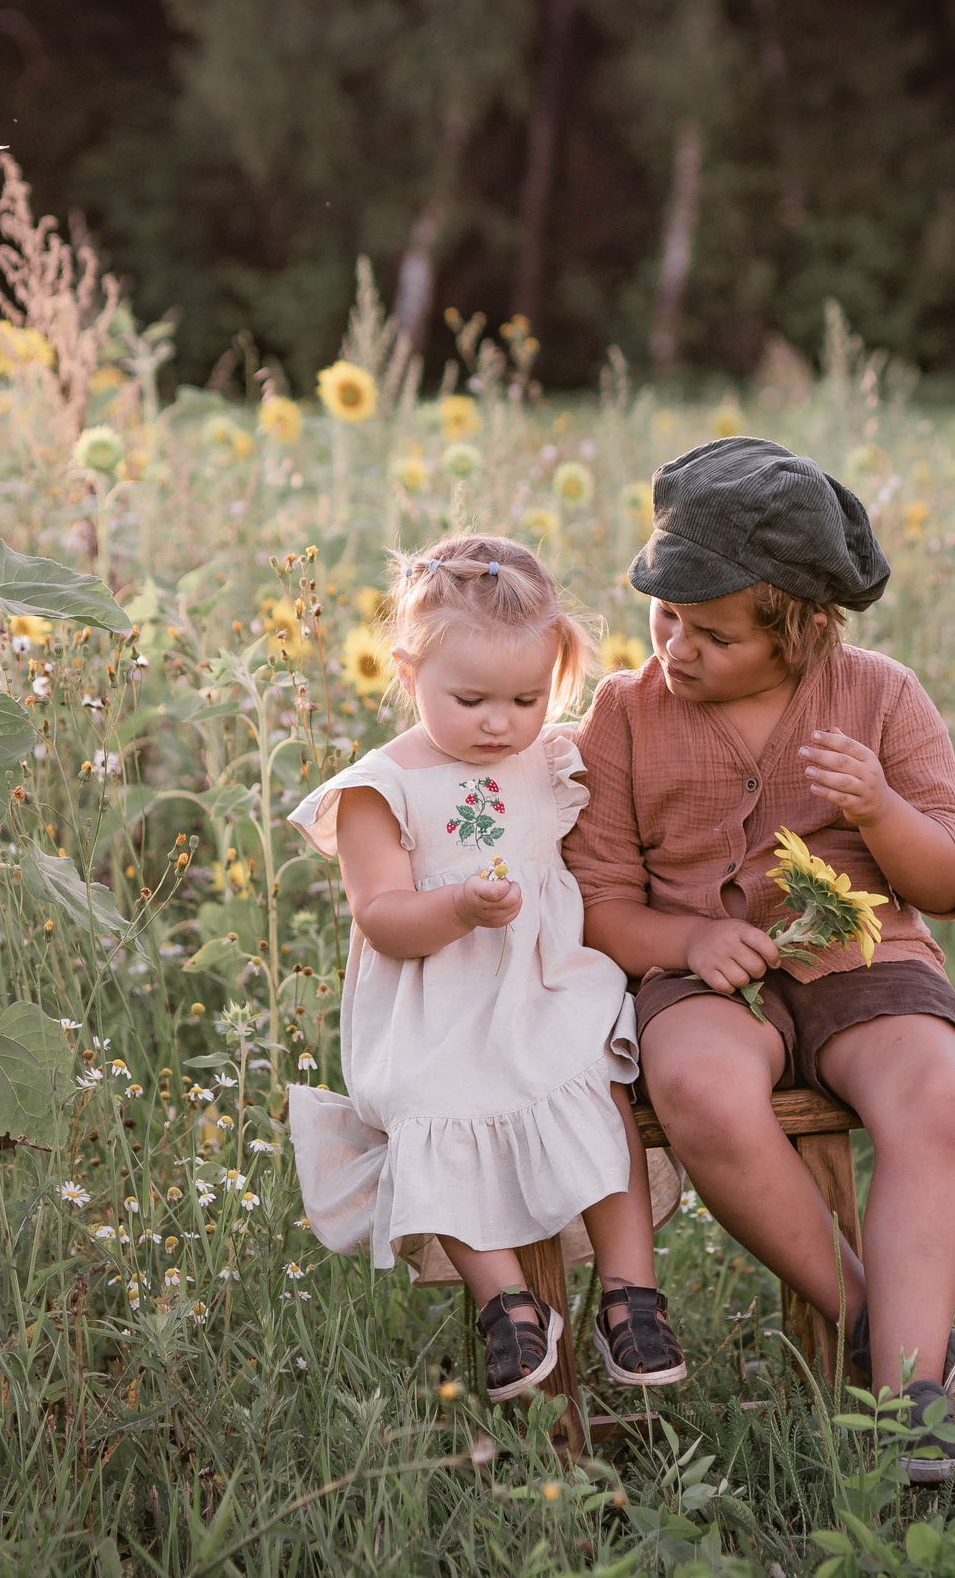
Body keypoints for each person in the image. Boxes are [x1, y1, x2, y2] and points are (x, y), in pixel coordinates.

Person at [563, 436, 955, 1491]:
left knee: (930, 1080)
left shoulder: (881, 696)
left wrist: (880, 808)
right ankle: (876, 1326)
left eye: (713, 634)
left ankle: (916, 1410)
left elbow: (951, 876)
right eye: (665, 616)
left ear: (803, 628)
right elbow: (598, 903)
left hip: (863, 957)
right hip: (702, 972)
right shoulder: (625, 716)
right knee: (694, 1081)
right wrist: (685, 942)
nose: (677, 648)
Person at [285, 533, 687, 1402]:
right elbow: (382, 917)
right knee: (428, 1109)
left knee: (593, 1075)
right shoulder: (379, 787)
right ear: (408, 673)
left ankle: (631, 1291)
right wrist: (459, 907)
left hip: (546, 984)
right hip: (437, 1005)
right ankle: (506, 1301)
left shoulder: (551, 758)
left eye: (525, 698)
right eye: (470, 699)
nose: (499, 722)